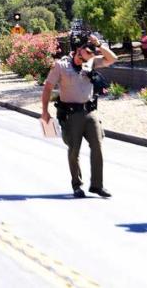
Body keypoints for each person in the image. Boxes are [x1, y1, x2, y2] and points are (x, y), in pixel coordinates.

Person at [41, 33, 117, 198]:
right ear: (77, 50)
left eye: (90, 54)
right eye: (85, 54)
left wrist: (99, 46)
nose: (87, 59)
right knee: (74, 150)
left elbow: (113, 59)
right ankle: (77, 185)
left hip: (90, 112)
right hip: (71, 114)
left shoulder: (91, 62)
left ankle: (97, 185)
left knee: (98, 147)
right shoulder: (60, 66)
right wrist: (44, 111)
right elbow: (47, 88)